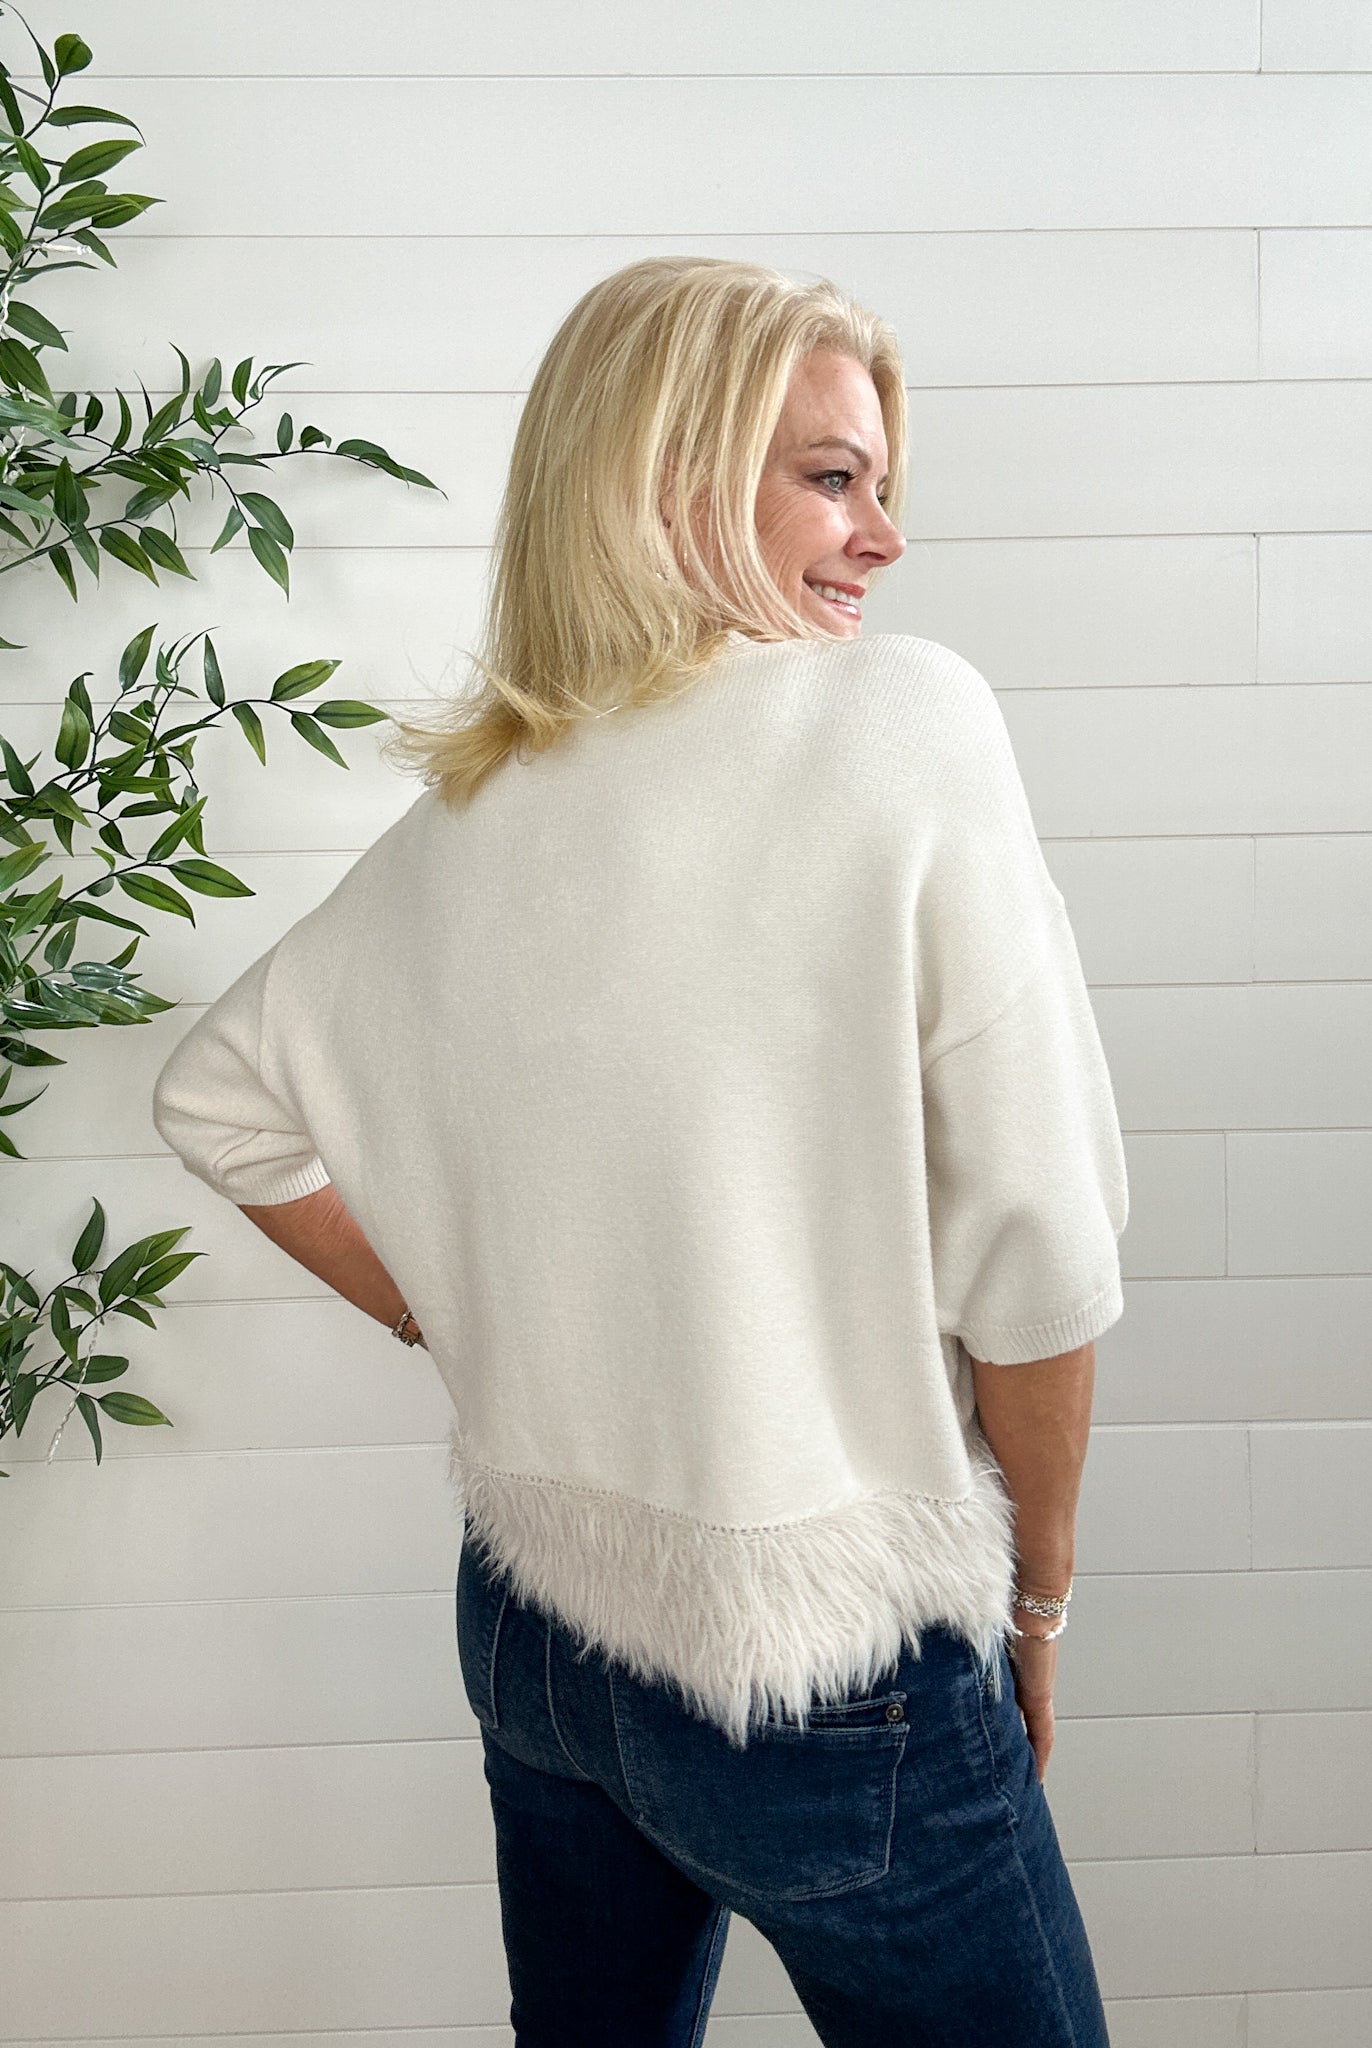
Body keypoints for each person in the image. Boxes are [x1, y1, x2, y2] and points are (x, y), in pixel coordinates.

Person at [151, 256, 1128, 2046]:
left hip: (539, 1638)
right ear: (667, 474)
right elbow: (1041, 1261)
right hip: (829, 1665)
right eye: (832, 478)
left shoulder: (480, 805)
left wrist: (462, 1317)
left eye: (882, 484)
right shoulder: (904, 720)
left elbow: (220, 1097)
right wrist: (1040, 1599)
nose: (885, 536)